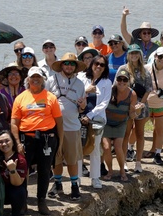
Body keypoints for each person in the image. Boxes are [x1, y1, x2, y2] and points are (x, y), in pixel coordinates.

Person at [11, 67, 63, 215]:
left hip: (46, 139)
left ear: (43, 79)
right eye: (33, 77)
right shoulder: (20, 98)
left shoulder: (50, 98)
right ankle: (23, 202)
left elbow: (59, 122)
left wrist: (60, 143)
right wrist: (17, 143)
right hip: (26, 139)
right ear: (27, 79)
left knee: (45, 170)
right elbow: (14, 123)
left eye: (38, 77)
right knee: (23, 170)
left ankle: (41, 200)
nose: (35, 79)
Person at [47, 53, 85, 198]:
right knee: (56, 158)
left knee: (72, 159)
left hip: (72, 127)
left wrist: (83, 106)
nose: (69, 66)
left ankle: (74, 185)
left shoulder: (80, 84)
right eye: (66, 63)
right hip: (53, 127)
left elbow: (81, 108)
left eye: (72, 64)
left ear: (75, 67)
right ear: (61, 65)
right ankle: (58, 184)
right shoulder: (51, 80)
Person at [101, 68, 138, 182]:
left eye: (125, 80)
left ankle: (122, 170)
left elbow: (132, 115)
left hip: (121, 123)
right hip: (107, 123)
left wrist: (138, 111)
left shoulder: (132, 94)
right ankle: (110, 170)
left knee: (118, 147)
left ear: (128, 81)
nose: (122, 82)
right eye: (119, 79)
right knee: (106, 148)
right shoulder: (110, 90)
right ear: (116, 80)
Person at [81, 53, 112, 186]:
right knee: (79, 148)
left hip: (96, 120)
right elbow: (76, 96)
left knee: (94, 148)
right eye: (96, 63)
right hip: (80, 118)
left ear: (105, 67)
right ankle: (76, 179)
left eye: (102, 65)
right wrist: (86, 91)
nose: (98, 66)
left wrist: (90, 116)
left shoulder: (107, 82)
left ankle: (95, 177)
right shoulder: (81, 78)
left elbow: (104, 103)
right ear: (91, 64)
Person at [123, 44, 151, 169]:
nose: (134, 55)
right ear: (128, 55)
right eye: (131, 53)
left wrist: (141, 104)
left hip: (141, 105)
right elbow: (117, 86)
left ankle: (138, 162)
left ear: (140, 55)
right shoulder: (123, 69)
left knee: (140, 133)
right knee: (126, 133)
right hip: (126, 106)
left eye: (136, 53)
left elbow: (148, 89)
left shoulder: (145, 71)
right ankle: (123, 162)